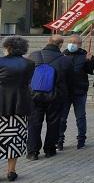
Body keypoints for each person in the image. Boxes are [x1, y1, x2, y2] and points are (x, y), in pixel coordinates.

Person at [26, 35, 71, 161]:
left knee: (34, 123)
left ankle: (32, 152)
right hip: (55, 96)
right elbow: (69, 81)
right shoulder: (65, 60)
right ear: (61, 44)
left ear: (48, 41)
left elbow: (27, 76)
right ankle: (50, 150)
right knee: (53, 123)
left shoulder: (33, 55)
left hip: (34, 95)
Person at [0, 36, 34, 181]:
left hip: (1, 104)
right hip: (20, 104)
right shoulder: (29, 63)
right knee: (15, 137)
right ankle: (11, 171)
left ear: (8, 47)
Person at [59, 34, 94, 150]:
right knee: (62, 117)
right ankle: (60, 140)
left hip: (80, 90)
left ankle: (81, 140)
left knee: (80, 117)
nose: (72, 44)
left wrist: (90, 61)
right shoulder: (62, 54)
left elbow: (90, 71)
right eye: (70, 41)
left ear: (80, 44)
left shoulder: (85, 55)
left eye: (74, 42)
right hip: (65, 91)